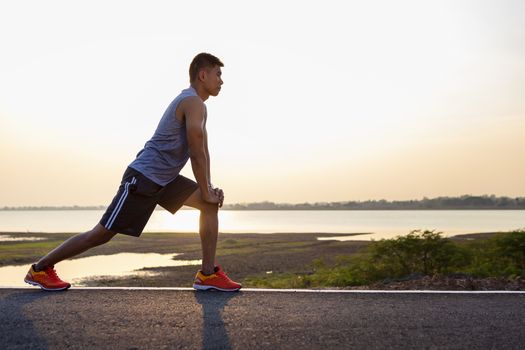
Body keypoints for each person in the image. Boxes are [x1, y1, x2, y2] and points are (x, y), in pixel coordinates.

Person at [24, 52, 241, 292]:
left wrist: (208, 190)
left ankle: (208, 275)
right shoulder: (192, 102)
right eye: (218, 74)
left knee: (209, 205)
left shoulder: (198, 107)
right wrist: (206, 190)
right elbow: (195, 152)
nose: (221, 81)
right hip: (144, 178)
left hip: (165, 180)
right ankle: (40, 269)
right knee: (100, 235)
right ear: (203, 75)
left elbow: (203, 151)